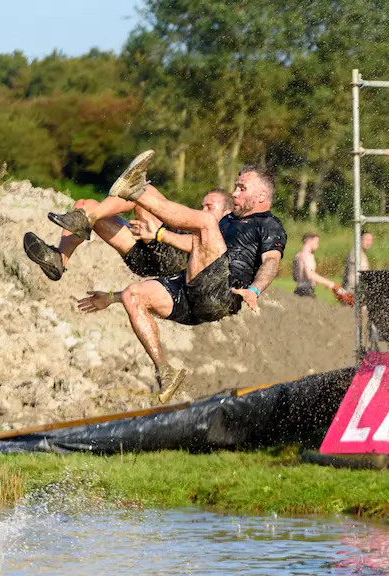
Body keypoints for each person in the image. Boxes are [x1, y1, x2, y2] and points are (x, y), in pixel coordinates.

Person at [65, 150, 286, 404]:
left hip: (221, 291)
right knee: (132, 295)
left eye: (241, 188)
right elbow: (192, 244)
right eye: (235, 187)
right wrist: (112, 297)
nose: (234, 193)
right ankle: (165, 373)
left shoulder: (269, 225)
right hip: (192, 299)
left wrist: (255, 290)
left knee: (204, 221)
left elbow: (271, 262)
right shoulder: (226, 222)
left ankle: (138, 192)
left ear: (261, 196)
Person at [23, 189, 232, 281]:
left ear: (226, 212)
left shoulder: (225, 229)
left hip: (173, 258)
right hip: (142, 258)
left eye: (210, 207)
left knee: (141, 193)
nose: (203, 211)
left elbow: (199, 247)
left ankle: (89, 216)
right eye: (202, 206)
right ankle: (59, 259)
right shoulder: (193, 220)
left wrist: (160, 235)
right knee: (83, 205)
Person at [292, 232, 347, 299]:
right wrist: (330, 283)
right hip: (307, 292)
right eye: (316, 243)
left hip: (297, 291)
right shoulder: (308, 256)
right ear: (309, 241)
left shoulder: (297, 256)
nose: (317, 246)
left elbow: (295, 277)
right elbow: (310, 274)